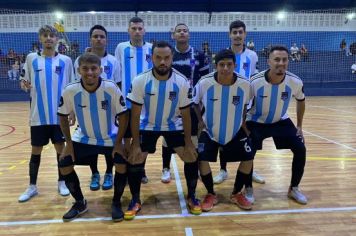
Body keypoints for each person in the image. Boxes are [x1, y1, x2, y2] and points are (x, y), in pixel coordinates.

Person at [125, 41, 201, 220]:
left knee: (191, 156)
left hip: (173, 125)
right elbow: (134, 116)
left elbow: (187, 114)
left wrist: (189, 143)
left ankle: (192, 196)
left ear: (171, 58)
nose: (162, 62)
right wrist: (135, 144)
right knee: (135, 158)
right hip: (147, 125)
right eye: (158, 57)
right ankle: (135, 199)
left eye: (166, 58)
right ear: (151, 58)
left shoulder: (181, 81)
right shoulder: (140, 81)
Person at [57, 52, 129, 222]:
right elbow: (62, 115)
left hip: (109, 137)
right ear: (78, 70)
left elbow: (124, 115)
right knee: (64, 164)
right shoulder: (70, 90)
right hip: (84, 137)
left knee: (121, 163)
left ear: (101, 69)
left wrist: (119, 143)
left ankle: (116, 202)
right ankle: (80, 202)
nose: (89, 72)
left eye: (93, 68)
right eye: (85, 68)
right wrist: (68, 144)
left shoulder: (111, 88)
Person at [18, 25, 74, 202]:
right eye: (45, 35)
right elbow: (24, 81)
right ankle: (32, 186)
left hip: (59, 116)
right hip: (38, 116)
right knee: (36, 151)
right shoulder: (31, 58)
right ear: (40, 38)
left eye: (52, 35)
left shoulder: (66, 60)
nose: (49, 38)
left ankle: (61, 182)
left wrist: (71, 110)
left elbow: (71, 87)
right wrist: (24, 85)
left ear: (57, 39)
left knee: (61, 150)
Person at [246, 45, 307, 205]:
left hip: (281, 121)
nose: (281, 63)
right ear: (269, 62)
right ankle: (248, 188)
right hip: (256, 122)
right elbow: (243, 106)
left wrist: (299, 126)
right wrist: (244, 128)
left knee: (300, 149)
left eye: (284, 60)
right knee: (248, 152)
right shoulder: (254, 81)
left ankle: (294, 188)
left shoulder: (294, 81)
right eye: (277, 60)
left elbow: (301, 100)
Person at [193, 49, 254, 212]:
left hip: (235, 130)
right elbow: (194, 102)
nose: (225, 68)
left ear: (235, 65)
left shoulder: (245, 84)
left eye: (229, 64)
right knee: (202, 160)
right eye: (221, 65)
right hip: (210, 130)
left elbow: (247, 106)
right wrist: (200, 122)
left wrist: (242, 122)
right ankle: (211, 193)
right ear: (216, 65)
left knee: (249, 158)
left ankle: (236, 193)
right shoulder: (204, 82)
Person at [213, 20, 264, 187]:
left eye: (240, 32)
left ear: (245, 34)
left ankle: (250, 168)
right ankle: (223, 169)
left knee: (250, 139)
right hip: (226, 104)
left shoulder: (252, 56)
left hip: (246, 107)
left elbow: (255, 79)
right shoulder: (223, 55)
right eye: (234, 32)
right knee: (223, 138)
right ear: (229, 35)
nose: (237, 35)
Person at [160, 23, 210, 183]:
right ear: (173, 35)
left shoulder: (199, 55)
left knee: (194, 136)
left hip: (193, 104)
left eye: (185, 30)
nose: (182, 33)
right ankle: (166, 168)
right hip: (170, 103)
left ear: (189, 34)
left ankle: (195, 168)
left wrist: (201, 104)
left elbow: (205, 80)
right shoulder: (167, 55)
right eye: (178, 30)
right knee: (168, 137)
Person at [74, 25, 120, 191]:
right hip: (86, 107)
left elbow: (118, 85)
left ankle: (109, 172)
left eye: (102, 36)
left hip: (108, 110)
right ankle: (94, 172)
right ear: (90, 39)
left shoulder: (114, 61)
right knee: (91, 142)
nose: (99, 39)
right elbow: (74, 86)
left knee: (108, 141)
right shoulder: (79, 60)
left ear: (106, 40)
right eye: (95, 36)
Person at [115, 16, 152, 184]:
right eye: (134, 28)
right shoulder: (121, 48)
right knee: (127, 138)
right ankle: (129, 168)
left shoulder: (152, 49)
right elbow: (117, 74)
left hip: (148, 104)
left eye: (140, 28)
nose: (137, 31)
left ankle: (141, 170)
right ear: (128, 30)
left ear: (144, 30)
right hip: (127, 103)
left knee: (143, 139)